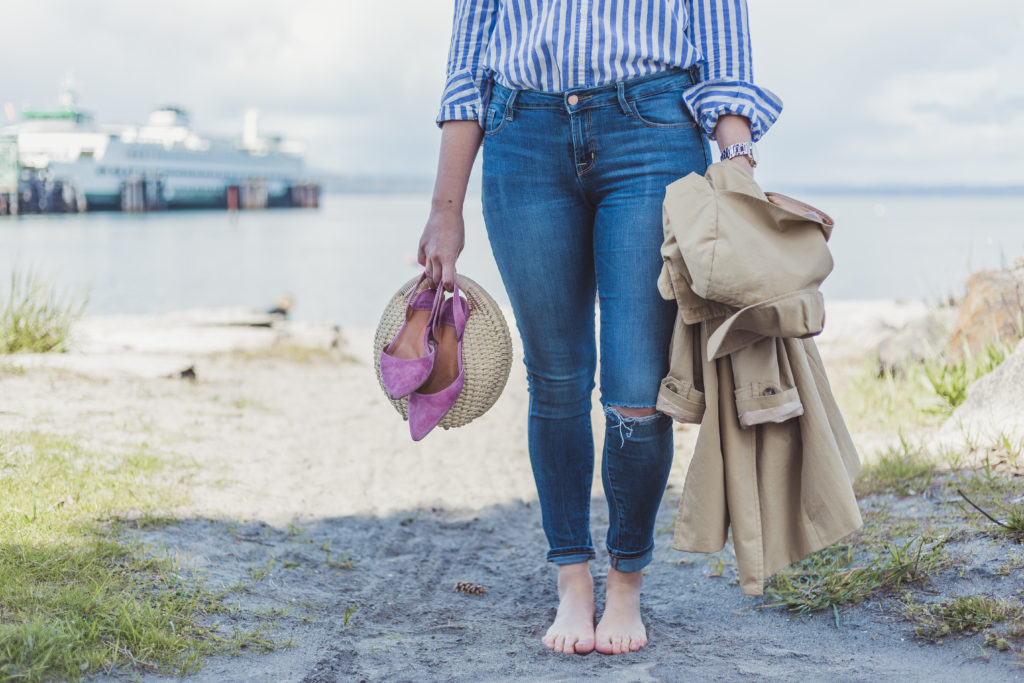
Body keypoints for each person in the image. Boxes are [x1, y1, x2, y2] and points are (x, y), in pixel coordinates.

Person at [418, 0, 781, 656]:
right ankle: (572, 582)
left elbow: (723, 46)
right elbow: (467, 63)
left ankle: (625, 583)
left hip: (652, 133)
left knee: (637, 388)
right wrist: (446, 209)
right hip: (520, 138)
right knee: (554, 379)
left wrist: (738, 165)